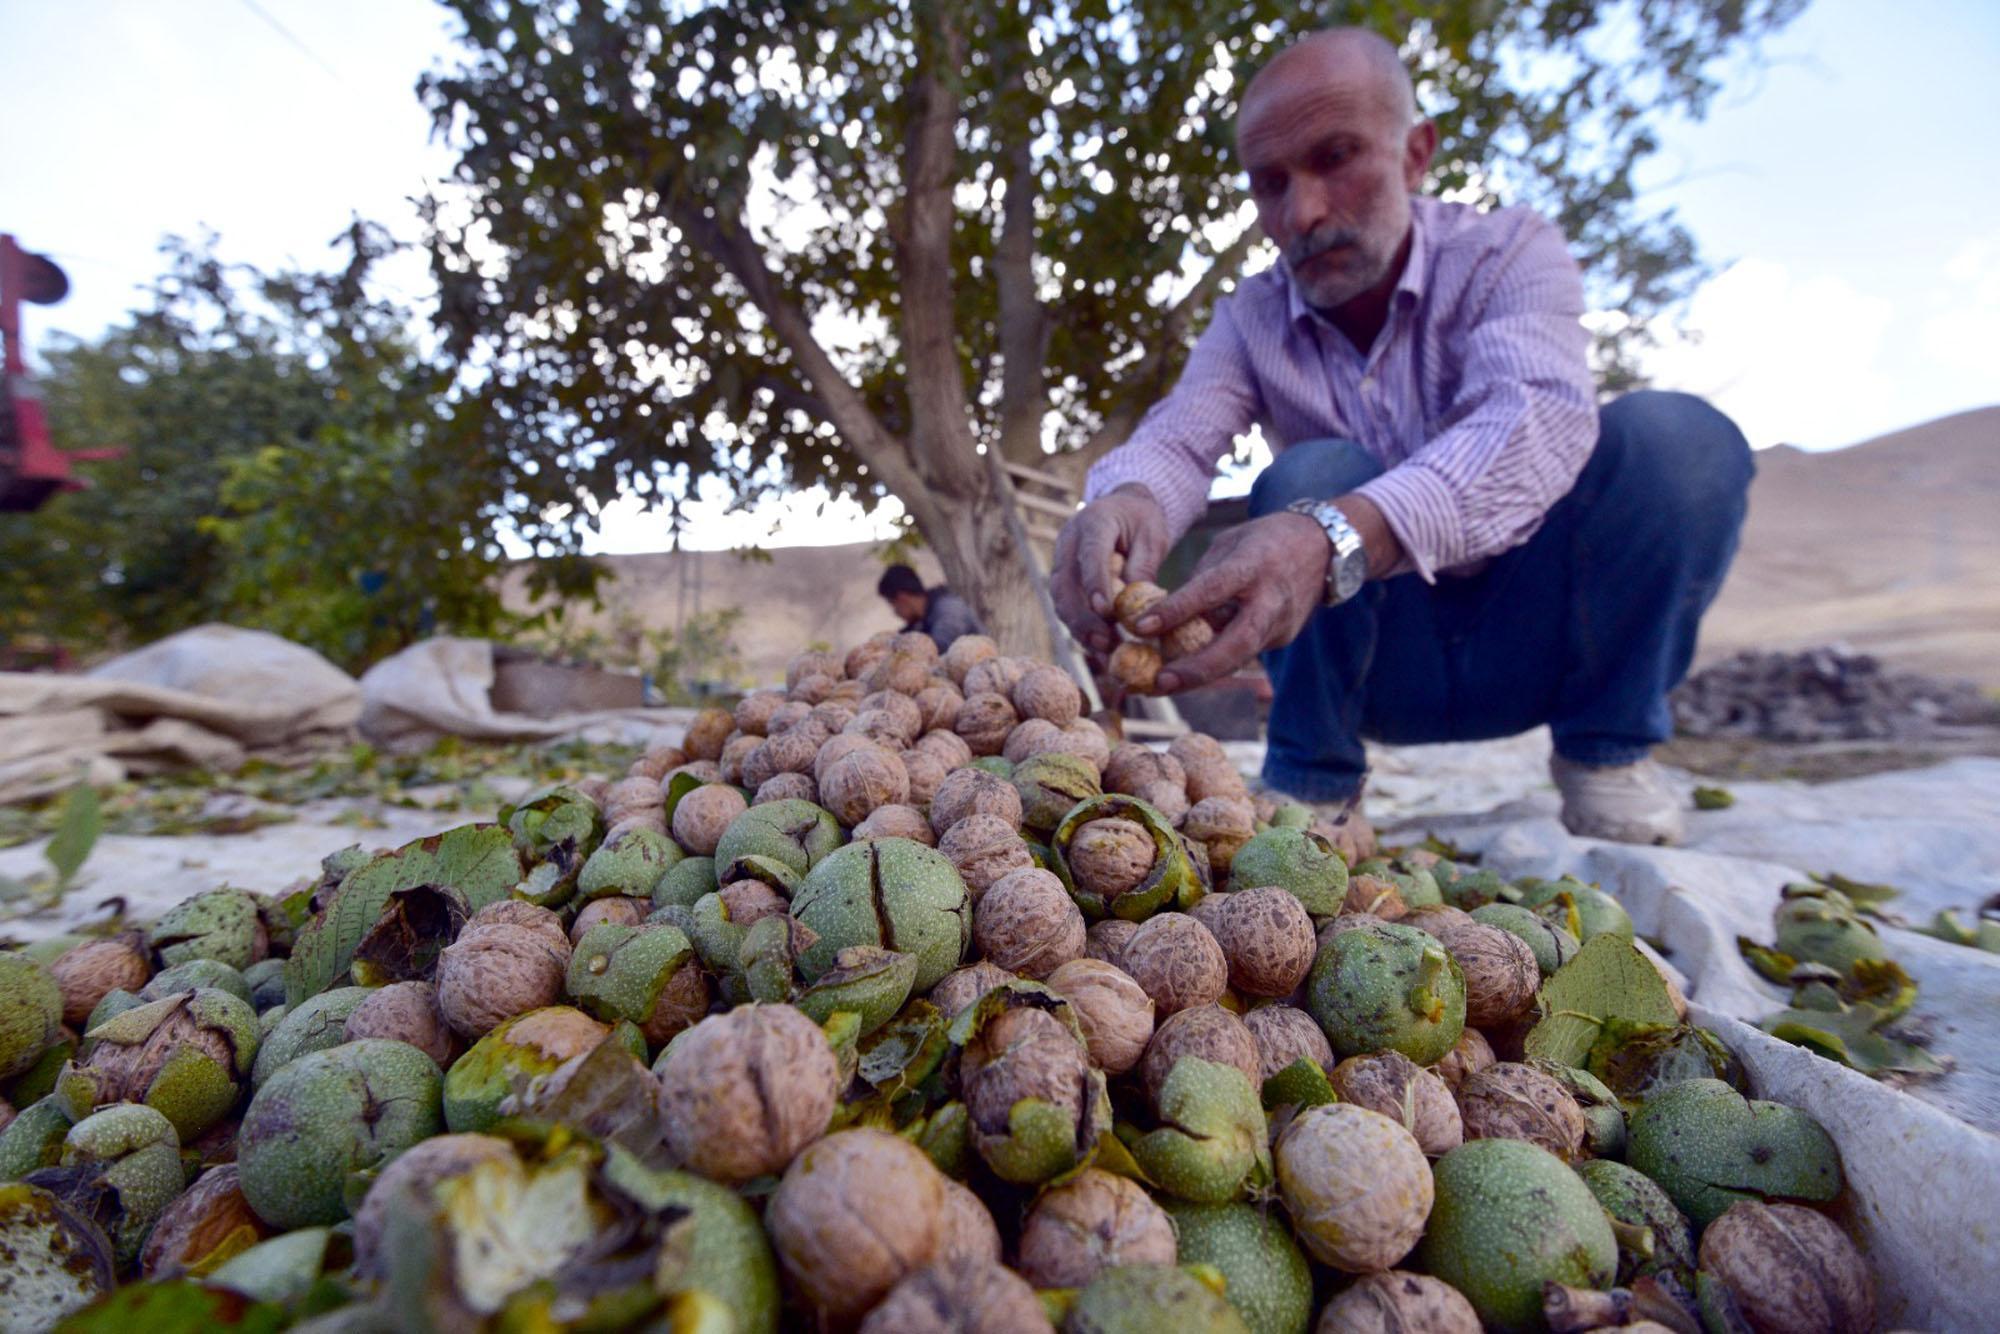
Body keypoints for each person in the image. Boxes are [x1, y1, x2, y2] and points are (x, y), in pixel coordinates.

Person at [1050, 28, 1753, 846]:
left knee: (1679, 440)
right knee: (1310, 473)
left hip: (1546, 645)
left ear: (1417, 154)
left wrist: (1339, 534)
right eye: (1271, 184)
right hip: (1382, 669)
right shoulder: (1249, 318)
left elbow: (1531, 420)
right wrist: (1129, 501)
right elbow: (1181, 435)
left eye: (1337, 157)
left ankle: (1607, 753)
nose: (1303, 212)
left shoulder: (1510, 253)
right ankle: (1313, 780)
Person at [878, 564, 984, 652]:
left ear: (902, 598)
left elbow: (938, 647)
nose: (895, 612)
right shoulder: (923, 619)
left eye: (893, 605)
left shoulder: (949, 609)